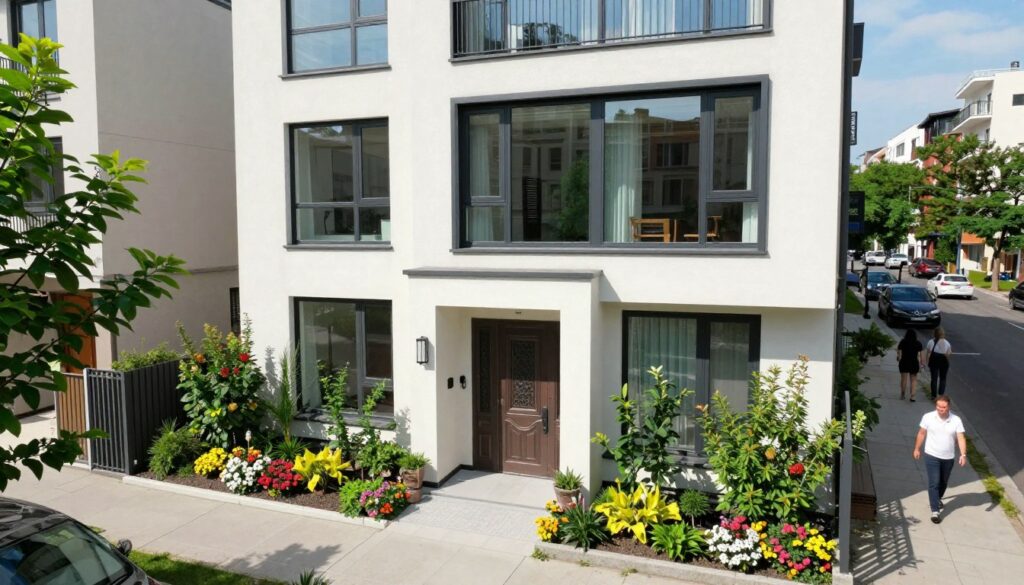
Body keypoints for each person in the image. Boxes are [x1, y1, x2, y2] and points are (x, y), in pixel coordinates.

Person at [912, 395, 966, 523]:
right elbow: (921, 433)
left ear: (949, 407)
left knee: (943, 482)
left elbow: (961, 438)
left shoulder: (956, 420)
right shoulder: (928, 417)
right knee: (934, 482)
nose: (941, 409)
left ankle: (937, 498)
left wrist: (963, 455)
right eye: (938, 406)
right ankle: (935, 511)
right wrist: (917, 448)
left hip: (948, 457)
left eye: (944, 407)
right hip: (931, 455)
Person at [896, 329, 924, 401]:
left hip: (904, 362)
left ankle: (902, 394)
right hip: (914, 363)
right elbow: (921, 355)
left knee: (903, 379)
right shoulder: (918, 343)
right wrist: (922, 363)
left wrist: (898, 357)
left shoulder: (903, 342)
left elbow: (899, 351)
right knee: (914, 380)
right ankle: (912, 396)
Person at [925, 327, 952, 399]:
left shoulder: (931, 342)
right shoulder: (947, 343)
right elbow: (948, 354)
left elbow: (928, 353)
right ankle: (941, 394)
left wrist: (927, 362)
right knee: (943, 378)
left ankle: (933, 395)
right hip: (943, 362)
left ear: (935, 334)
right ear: (943, 334)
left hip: (934, 361)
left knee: (934, 379)